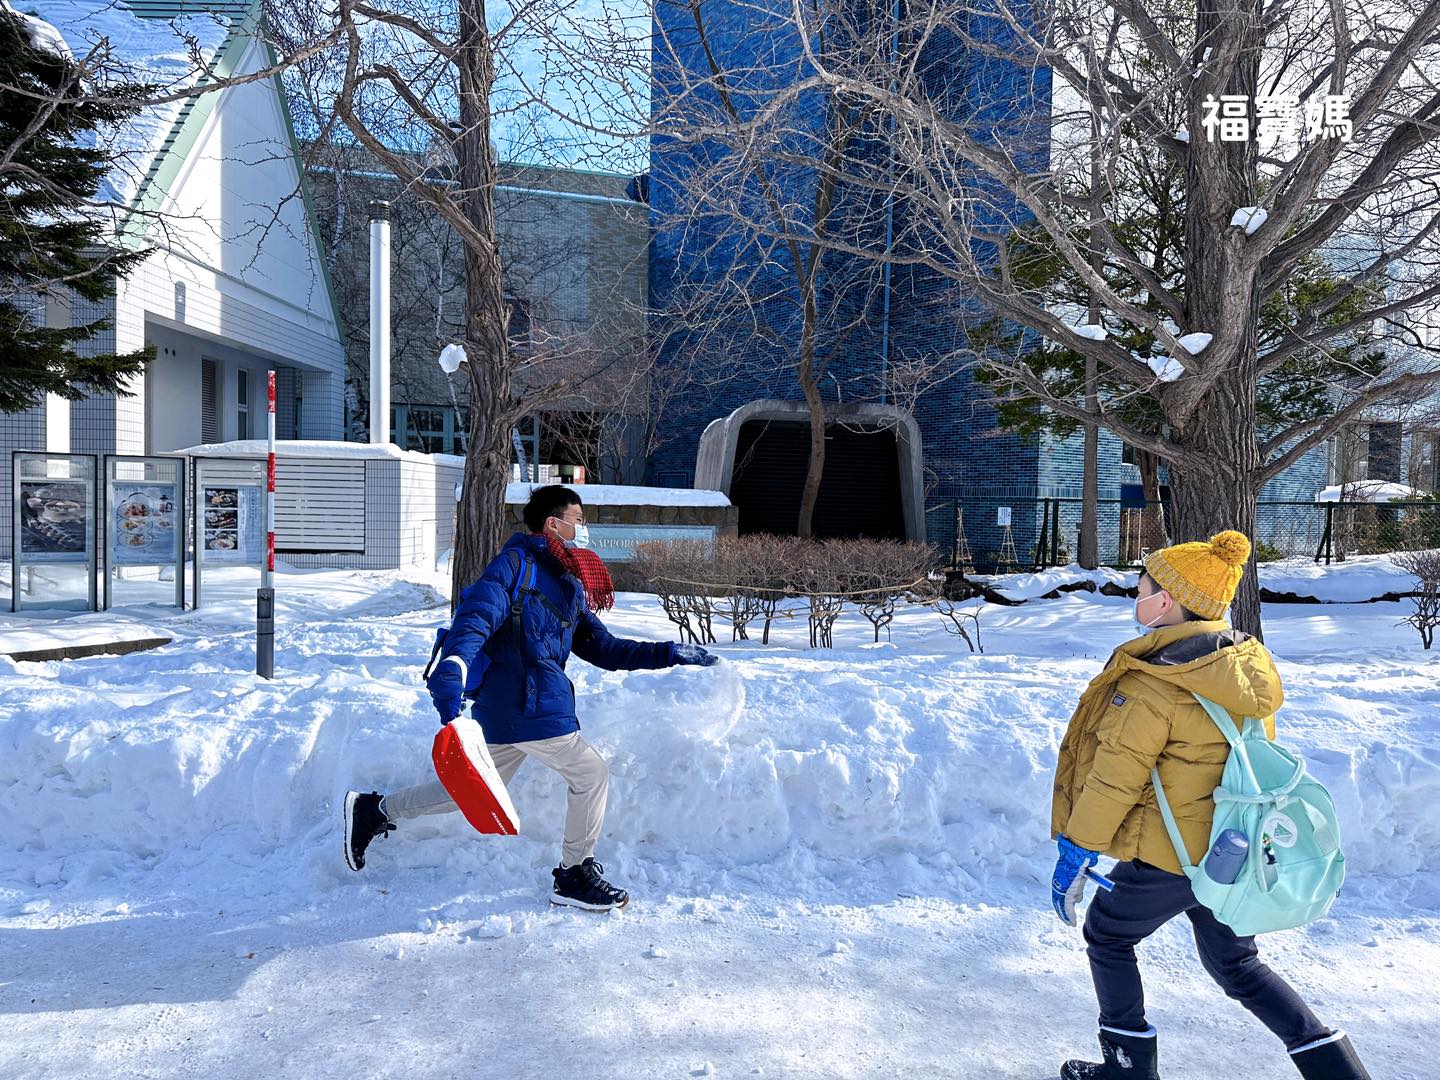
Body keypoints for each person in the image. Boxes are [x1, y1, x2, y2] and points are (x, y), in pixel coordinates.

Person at [1050, 531, 1371, 1080]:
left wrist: (1078, 847)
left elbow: (1114, 779)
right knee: (1237, 964)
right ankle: (1337, 1070)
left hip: (1172, 856)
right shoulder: (1242, 667)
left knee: (1107, 935)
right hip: (1231, 848)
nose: (1138, 595)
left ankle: (1127, 1068)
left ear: (1168, 601)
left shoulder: (1156, 684)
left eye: (1143, 587)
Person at [343, 484, 719, 910]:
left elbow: (605, 649)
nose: (584, 529)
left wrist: (668, 653)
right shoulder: (514, 566)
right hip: (531, 705)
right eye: (578, 521)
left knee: (468, 790)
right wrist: (455, 663)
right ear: (552, 524)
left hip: (514, 710)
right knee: (590, 774)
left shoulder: (569, 585)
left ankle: (375, 810)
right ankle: (574, 874)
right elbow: (476, 618)